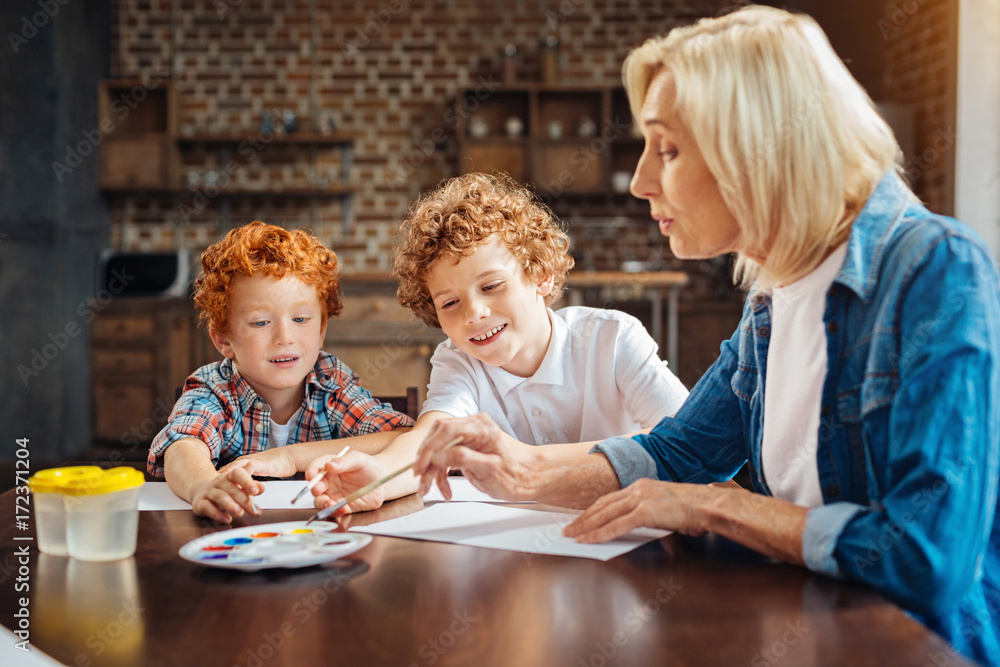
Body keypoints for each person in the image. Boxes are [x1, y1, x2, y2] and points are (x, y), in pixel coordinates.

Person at [410, 7, 1000, 666]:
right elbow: (675, 454)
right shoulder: (772, 299)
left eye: (666, 147)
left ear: (758, 147)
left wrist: (721, 509)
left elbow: (931, 557)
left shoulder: (934, 268)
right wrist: (518, 469)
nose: (640, 179)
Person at [301, 172, 689, 513]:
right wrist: (380, 476)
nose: (474, 313)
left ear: (541, 275)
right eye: (450, 303)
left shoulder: (613, 338)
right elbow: (430, 437)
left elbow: (683, 443)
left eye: (491, 286)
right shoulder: (457, 361)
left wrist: (530, 461)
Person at [147, 221, 414, 523]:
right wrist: (203, 486)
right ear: (223, 340)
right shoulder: (214, 389)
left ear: (322, 330)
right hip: (236, 536)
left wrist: (290, 457)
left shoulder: (330, 382)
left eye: (301, 319)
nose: (284, 337)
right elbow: (184, 446)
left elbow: (401, 438)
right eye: (261, 322)